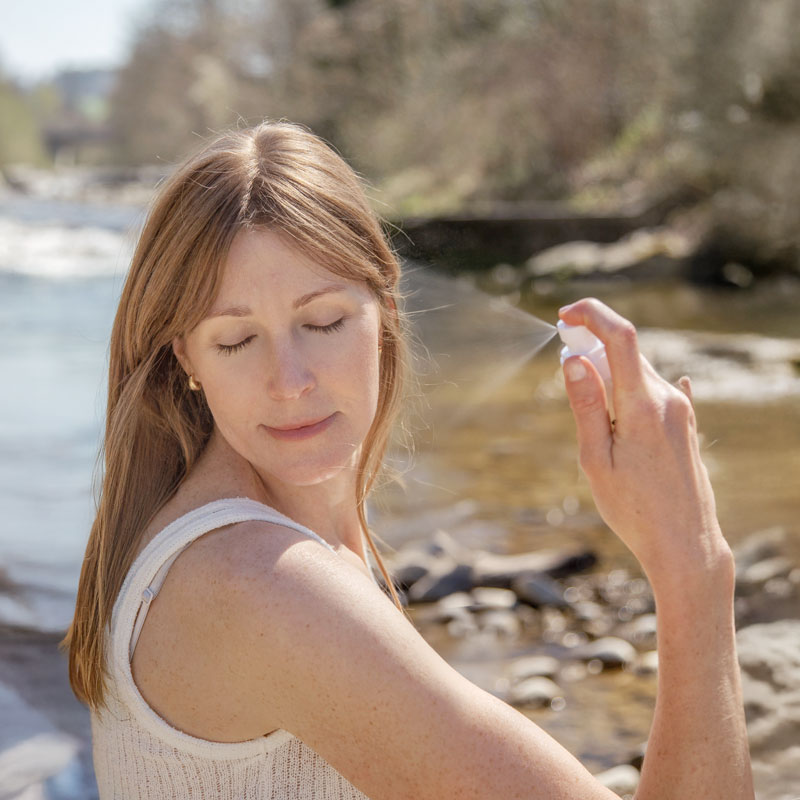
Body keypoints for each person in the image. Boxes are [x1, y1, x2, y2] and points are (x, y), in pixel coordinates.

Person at [62, 120, 754, 799]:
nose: (290, 380)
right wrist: (693, 566)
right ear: (185, 356)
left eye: (324, 322)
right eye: (237, 340)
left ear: (384, 312)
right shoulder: (263, 584)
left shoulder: (245, 529)